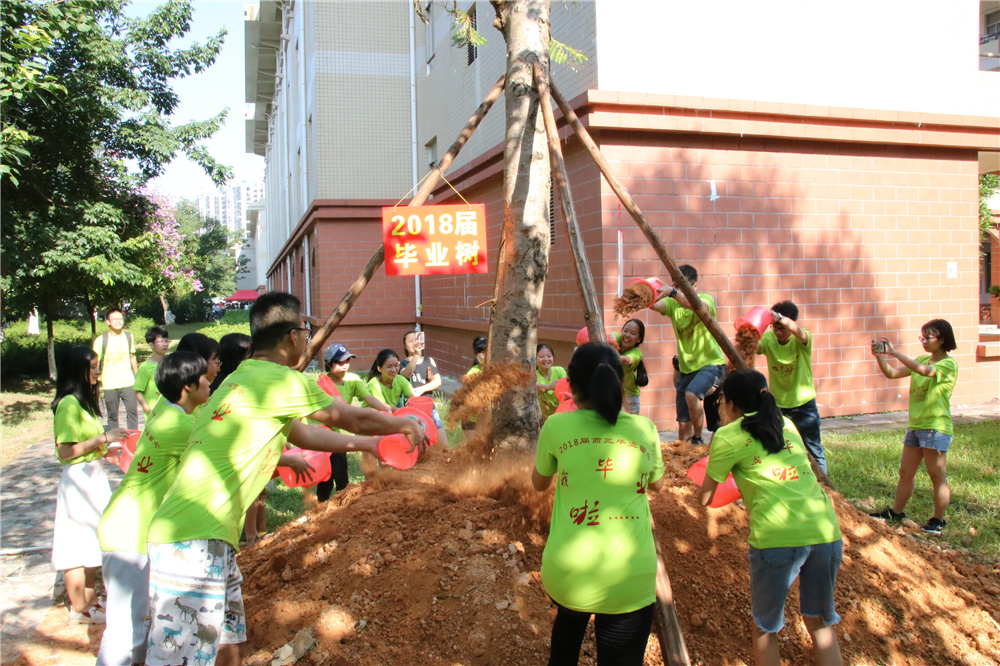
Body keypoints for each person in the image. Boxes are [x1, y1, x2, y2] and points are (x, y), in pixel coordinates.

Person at [143, 292, 428, 666]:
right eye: (306, 331)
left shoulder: (240, 380)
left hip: (208, 536)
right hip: (192, 540)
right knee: (182, 657)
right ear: (292, 336)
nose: (308, 338)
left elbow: (304, 435)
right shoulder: (279, 381)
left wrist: (370, 444)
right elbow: (348, 415)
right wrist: (403, 422)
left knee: (229, 643)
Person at [698, 369, 843, 666]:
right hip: (825, 531)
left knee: (765, 627)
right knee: (819, 622)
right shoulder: (786, 423)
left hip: (778, 537)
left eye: (721, 400)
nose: (719, 406)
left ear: (734, 405)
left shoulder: (727, 436)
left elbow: (706, 498)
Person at [532, 343, 665, 666]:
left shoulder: (556, 427)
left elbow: (539, 483)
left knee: (566, 633)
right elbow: (657, 485)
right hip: (630, 578)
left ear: (572, 387)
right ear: (620, 384)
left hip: (568, 574)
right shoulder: (645, 429)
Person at [96, 352, 211, 665]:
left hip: (132, 525)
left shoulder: (166, 409)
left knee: (139, 627)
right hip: (128, 531)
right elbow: (219, 455)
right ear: (187, 387)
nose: (210, 381)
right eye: (204, 376)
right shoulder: (180, 425)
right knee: (124, 632)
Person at [51, 346, 127, 624]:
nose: (97, 371)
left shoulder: (83, 402)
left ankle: (91, 599)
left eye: (97, 365)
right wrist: (103, 439)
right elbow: (66, 451)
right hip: (78, 480)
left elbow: (95, 445)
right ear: (77, 370)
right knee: (75, 544)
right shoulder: (68, 404)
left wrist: (115, 451)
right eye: (93, 367)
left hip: (92, 476)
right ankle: (78, 607)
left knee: (94, 539)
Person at [868, 319, 958, 534]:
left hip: (935, 427)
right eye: (922, 337)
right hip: (916, 426)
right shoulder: (922, 358)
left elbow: (926, 371)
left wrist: (895, 353)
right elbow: (891, 374)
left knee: (937, 476)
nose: (924, 341)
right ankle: (896, 512)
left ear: (942, 339)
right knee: (905, 473)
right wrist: (880, 357)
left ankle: (938, 520)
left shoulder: (947, 364)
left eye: (928, 337)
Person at [651, 265, 726, 445]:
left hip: (711, 363)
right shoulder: (672, 304)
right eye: (675, 284)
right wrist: (645, 293)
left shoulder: (705, 298)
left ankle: (698, 437)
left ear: (695, 286)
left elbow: (699, 307)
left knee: (692, 394)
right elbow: (654, 304)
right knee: (683, 424)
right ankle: (685, 457)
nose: (677, 289)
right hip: (687, 367)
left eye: (682, 285)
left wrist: (673, 292)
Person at [756, 301, 827, 475]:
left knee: (813, 449)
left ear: (792, 323)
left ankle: (826, 489)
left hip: (804, 405)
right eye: (775, 328)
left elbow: (800, 333)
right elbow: (754, 346)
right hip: (779, 406)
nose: (778, 332)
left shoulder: (801, 339)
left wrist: (779, 318)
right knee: (779, 448)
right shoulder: (769, 339)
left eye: (782, 327)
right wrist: (757, 328)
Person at [315, 344, 391, 502]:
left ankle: (342, 506)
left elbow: (369, 399)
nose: (345, 366)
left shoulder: (353, 381)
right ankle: (321, 507)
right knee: (325, 477)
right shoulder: (323, 383)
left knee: (341, 474)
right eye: (340, 363)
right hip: (320, 433)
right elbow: (341, 407)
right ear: (329, 363)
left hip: (336, 433)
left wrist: (386, 410)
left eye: (347, 361)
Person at [400, 330, 449, 443]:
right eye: (410, 341)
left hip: (430, 408)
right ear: (405, 346)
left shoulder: (428, 360)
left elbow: (437, 381)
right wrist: (416, 355)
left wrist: (422, 389)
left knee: (443, 444)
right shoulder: (402, 364)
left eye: (416, 340)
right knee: (419, 443)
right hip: (413, 410)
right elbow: (406, 374)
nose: (414, 343)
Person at [93, 308, 139, 430]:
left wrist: (137, 376)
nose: (118, 321)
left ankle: (132, 443)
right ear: (108, 322)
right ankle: (114, 443)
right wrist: (95, 382)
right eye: (114, 319)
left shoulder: (129, 337)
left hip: (128, 382)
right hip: (110, 384)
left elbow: (132, 357)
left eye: (120, 318)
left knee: (133, 414)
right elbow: (95, 363)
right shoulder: (101, 340)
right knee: (112, 416)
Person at [614, 319, 649, 415]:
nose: (627, 335)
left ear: (639, 339)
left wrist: (610, 349)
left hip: (630, 398)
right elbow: (612, 336)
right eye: (625, 331)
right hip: (614, 394)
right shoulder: (617, 338)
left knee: (630, 426)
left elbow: (625, 360)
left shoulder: (637, 353)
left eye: (633, 333)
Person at [134, 326, 170, 415]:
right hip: (154, 413)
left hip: (170, 410)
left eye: (166, 341)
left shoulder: (171, 363)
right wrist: (149, 411)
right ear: (151, 345)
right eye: (161, 341)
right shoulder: (145, 367)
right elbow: (138, 392)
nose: (165, 344)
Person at [462, 336, 488, 436]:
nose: (485, 356)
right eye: (482, 353)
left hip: (490, 421)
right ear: (476, 355)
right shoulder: (472, 374)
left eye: (487, 352)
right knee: (476, 449)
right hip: (471, 420)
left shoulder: (496, 370)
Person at [535, 343, 567, 421]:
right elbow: (535, 386)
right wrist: (549, 387)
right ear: (535, 359)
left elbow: (565, 388)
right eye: (541, 357)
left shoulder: (559, 370)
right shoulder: (534, 375)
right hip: (543, 419)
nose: (546, 359)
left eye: (549, 356)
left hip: (561, 416)